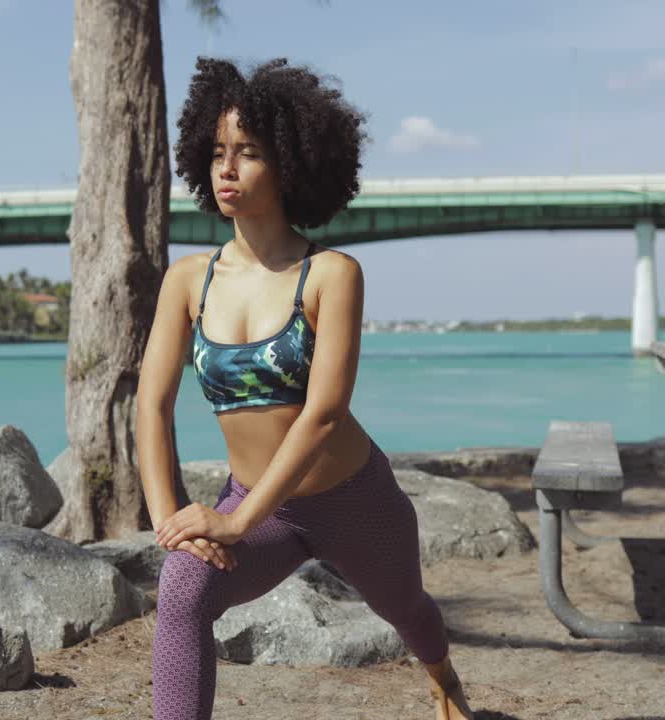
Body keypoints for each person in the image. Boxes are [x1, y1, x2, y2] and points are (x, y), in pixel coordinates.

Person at [135, 57, 475, 720]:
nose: (227, 169)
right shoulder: (187, 281)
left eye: (250, 153)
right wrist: (170, 522)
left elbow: (323, 414)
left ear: (291, 163)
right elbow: (152, 403)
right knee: (182, 592)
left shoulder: (330, 275)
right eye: (218, 153)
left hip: (355, 502)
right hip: (264, 511)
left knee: (408, 611)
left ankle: (444, 681)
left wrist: (234, 520)